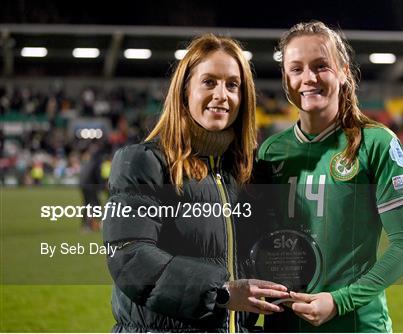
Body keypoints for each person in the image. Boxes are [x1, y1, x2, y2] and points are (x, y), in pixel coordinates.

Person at [103, 34, 289, 333]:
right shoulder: (143, 162)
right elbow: (130, 257)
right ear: (185, 89)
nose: (221, 94)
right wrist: (222, 292)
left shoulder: (250, 175)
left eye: (232, 85)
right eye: (209, 82)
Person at [257, 21, 403, 332]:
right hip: (285, 325)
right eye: (296, 69)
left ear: (343, 71)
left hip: (356, 324)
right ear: (285, 78)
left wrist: (340, 301)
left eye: (321, 66)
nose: (309, 78)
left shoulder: (377, 144)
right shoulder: (269, 151)